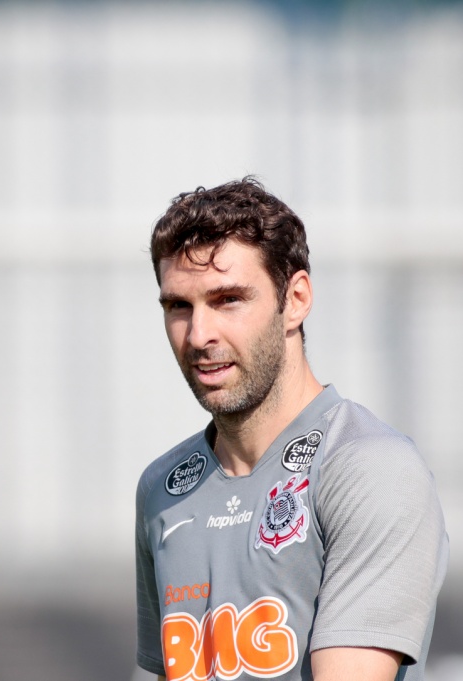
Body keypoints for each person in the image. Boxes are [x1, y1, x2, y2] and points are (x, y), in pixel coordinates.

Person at [135, 178, 448, 681]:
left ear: (296, 299)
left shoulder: (369, 469)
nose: (199, 334)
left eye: (228, 299)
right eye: (179, 306)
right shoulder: (161, 489)